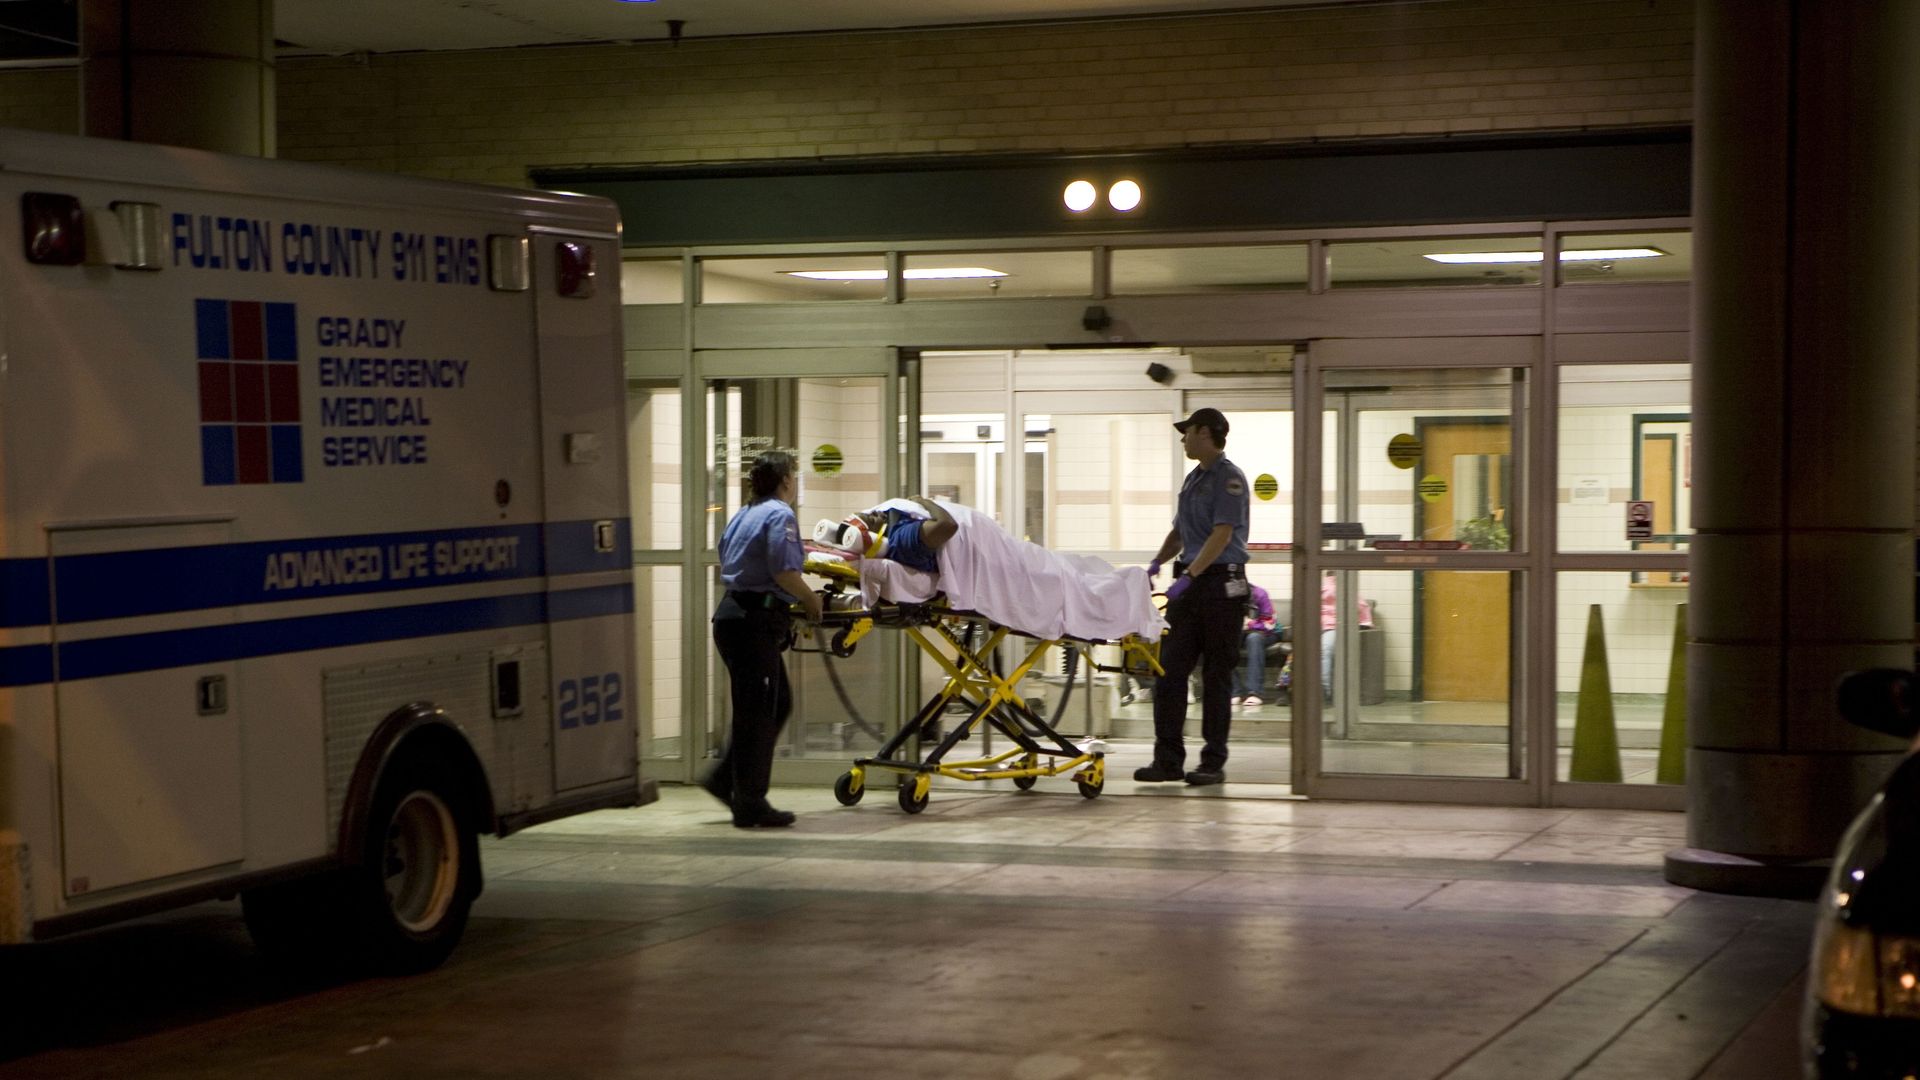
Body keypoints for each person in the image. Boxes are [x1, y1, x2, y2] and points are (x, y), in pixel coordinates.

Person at [703, 450, 824, 828]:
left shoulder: (743, 513)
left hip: (733, 616)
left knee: (774, 703)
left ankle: (727, 781)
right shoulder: (779, 514)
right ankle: (750, 802)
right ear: (787, 480)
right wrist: (810, 599)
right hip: (755, 619)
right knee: (759, 712)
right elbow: (784, 570)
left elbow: (728, 555)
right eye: (795, 476)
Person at [1135, 407, 1250, 787]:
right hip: (1190, 580)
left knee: (1216, 676)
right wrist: (1157, 562)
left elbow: (1222, 534)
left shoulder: (1229, 479)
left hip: (1221, 585)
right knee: (1169, 671)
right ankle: (1167, 760)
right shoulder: (1193, 479)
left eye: (1188, 432)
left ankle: (1211, 763)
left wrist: (1193, 575)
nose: (1183, 438)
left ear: (1205, 433)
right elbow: (1180, 531)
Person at [1317, 571, 1373, 704]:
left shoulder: (1345, 587)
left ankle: (1324, 690)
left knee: (1325, 649)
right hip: (1319, 625)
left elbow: (1360, 607)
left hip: (1331, 626)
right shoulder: (1319, 586)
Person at [1231, 581, 1278, 709]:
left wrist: (1251, 624)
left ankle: (1254, 692)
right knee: (1220, 640)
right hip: (1240, 632)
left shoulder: (1260, 594)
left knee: (1254, 638)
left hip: (1264, 633)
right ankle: (1234, 691)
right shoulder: (1229, 594)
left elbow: (1270, 624)